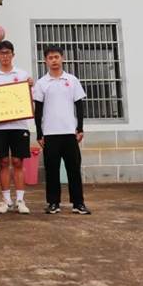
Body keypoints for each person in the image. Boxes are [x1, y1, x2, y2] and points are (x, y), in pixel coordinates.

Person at [33, 45, 92, 215]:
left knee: (74, 169)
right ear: (45, 61)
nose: (54, 61)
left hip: (69, 133)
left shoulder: (72, 80)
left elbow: (79, 106)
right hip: (50, 134)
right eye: (50, 58)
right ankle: (53, 203)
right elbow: (38, 111)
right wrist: (39, 133)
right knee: (52, 170)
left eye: (56, 57)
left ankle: (78, 203)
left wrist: (80, 128)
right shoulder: (42, 83)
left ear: (62, 58)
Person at [0, 40, 33, 215]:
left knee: (18, 161)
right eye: (1, 53)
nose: (5, 56)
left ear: (13, 54)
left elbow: (29, 99)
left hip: (19, 125)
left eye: (8, 53)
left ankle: (20, 200)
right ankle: (6, 200)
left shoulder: (22, 75)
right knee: (3, 162)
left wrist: (30, 86)